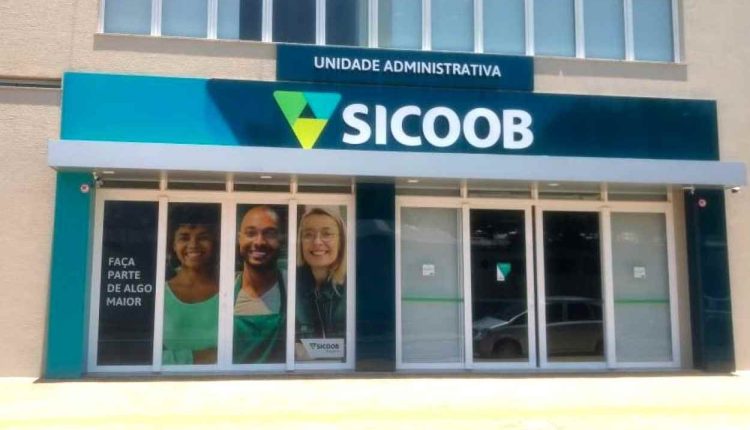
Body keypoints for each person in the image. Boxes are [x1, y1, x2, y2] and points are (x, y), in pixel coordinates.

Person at [162, 205, 220, 365]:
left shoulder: (232, 290)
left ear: (215, 242)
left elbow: (244, 351)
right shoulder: (159, 294)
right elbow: (141, 359)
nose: (193, 245)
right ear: (173, 245)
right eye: (184, 237)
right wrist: (200, 357)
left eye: (203, 237)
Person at [233, 205, 286, 363]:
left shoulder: (294, 288)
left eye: (269, 234)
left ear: (281, 240)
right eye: (251, 233)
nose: (259, 242)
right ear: (239, 239)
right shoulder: (224, 290)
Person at [296, 207, 347, 346]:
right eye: (308, 234)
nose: (317, 242)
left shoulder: (356, 288)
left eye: (327, 234)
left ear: (341, 242)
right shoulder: (288, 285)